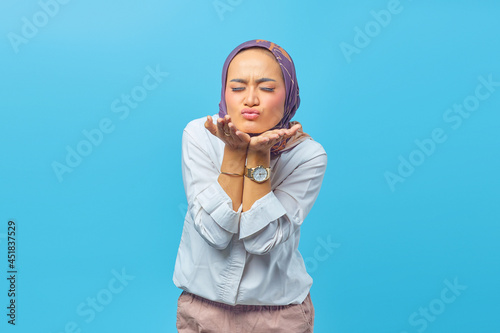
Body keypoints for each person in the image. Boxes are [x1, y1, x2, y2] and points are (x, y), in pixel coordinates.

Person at [173, 39, 327, 333]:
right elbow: (214, 234)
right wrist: (233, 152)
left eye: (267, 88)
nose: (251, 99)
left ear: (289, 94)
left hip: (279, 316)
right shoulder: (199, 135)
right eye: (237, 87)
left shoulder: (308, 155)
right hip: (202, 311)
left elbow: (261, 241)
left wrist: (258, 156)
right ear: (224, 91)